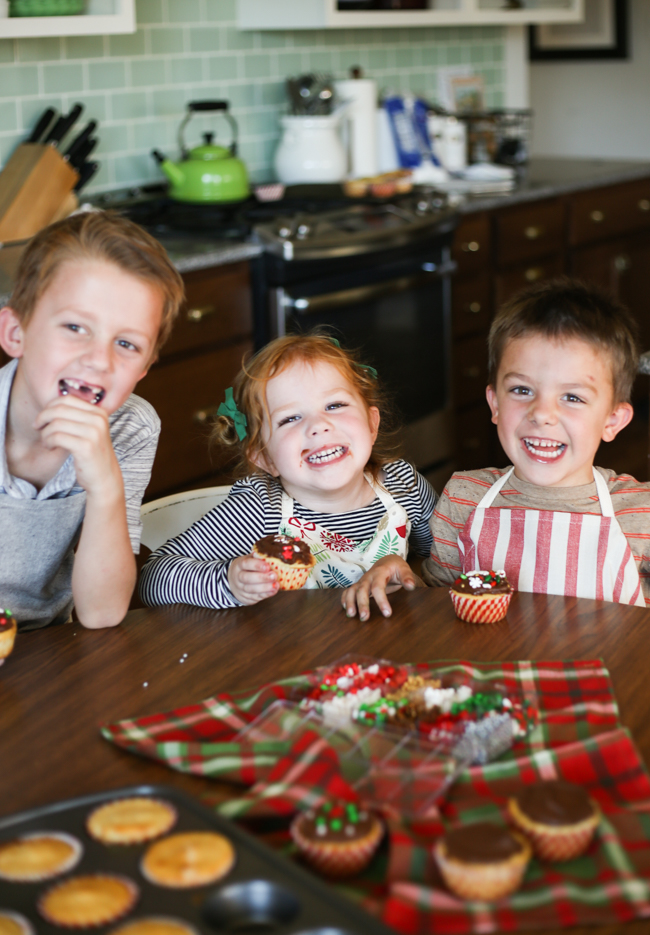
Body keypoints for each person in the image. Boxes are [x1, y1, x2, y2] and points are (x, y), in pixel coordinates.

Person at [361, 279, 650, 627]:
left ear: (613, 420)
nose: (542, 414)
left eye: (572, 396)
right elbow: (437, 601)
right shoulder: (464, 497)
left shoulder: (645, 514)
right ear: (494, 404)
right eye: (522, 390)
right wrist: (402, 574)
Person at [139, 333, 437, 611]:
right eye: (290, 418)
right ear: (264, 457)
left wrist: (408, 573)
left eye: (335, 405)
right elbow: (152, 578)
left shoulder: (404, 486)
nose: (318, 425)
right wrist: (230, 581)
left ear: (372, 424)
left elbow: (452, 565)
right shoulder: (258, 509)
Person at [0, 211, 185, 630]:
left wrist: (105, 484)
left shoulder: (129, 427)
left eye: (126, 343)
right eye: (75, 327)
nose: (100, 360)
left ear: (144, 368)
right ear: (16, 333)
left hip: (47, 649)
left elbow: (102, 612)